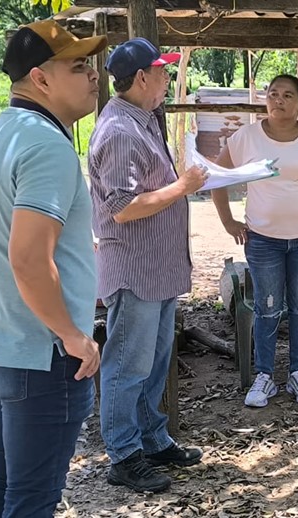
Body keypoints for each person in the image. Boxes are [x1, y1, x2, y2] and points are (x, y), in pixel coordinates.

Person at [0, 20, 104, 517]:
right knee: (32, 498)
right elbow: (27, 258)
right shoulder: (47, 146)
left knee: (3, 481)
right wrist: (72, 335)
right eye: (79, 66)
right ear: (40, 79)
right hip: (43, 353)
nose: (94, 75)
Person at [88, 37, 208, 495]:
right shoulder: (121, 131)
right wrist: (182, 187)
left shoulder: (140, 120)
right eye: (163, 71)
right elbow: (123, 207)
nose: (168, 78)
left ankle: (152, 440)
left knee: (153, 362)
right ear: (141, 78)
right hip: (136, 269)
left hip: (154, 268)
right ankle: (123, 455)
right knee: (127, 365)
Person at [212, 74, 298, 408]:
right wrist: (228, 221)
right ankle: (264, 376)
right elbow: (217, 177)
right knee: (267, 308)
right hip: (263, 240)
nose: (278, 100)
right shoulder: (246, 138)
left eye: (287, 95)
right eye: (272, 94)